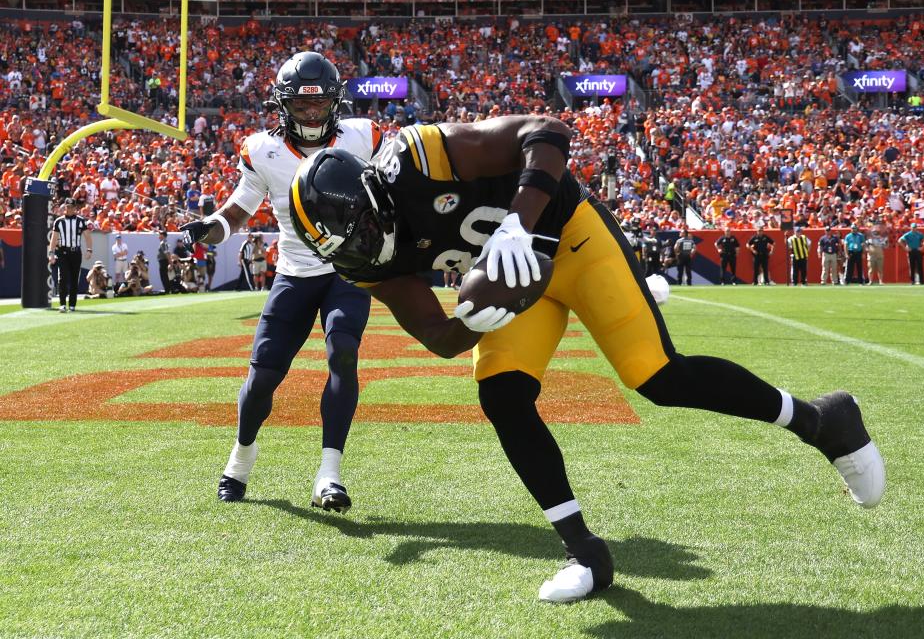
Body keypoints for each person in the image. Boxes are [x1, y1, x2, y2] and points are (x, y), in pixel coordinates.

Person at [288, 117, 886, 603]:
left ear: (372, 193)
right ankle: (585, 552)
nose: (365, 247)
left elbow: (546, 133)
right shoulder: (359, 263)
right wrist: (473, 320)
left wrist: (517, 225)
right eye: (347, 246)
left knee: (656, 376)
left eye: (363, 228)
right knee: (501, 394)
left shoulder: (419, 156)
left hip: (568, 237)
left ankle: (820, 420)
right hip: (515, 283)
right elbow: (438, 336)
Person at [180, 51, 383, 509]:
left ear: (335, 103)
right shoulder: (263, 150)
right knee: (262, 378)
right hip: (294, 273)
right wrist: (209, 227)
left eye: (319, 104)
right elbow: (238, 209)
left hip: (347, 270)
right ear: (282, 106)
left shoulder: (365, 136)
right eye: (301, 106)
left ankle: (329, 475)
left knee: (344, 353)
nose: (311, 114)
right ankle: (241, 458)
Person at [48, 197, 93, 312]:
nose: (70, 209)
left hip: (76, 252)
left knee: (74, 279)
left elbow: (87, 236)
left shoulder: (81, 221)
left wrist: (89, 250)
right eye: (68, 207)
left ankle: (72, 304)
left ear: (75, 208)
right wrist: (51, 253)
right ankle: (62, 304)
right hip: (62, 252)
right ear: (65, 208)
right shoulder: (59, 221)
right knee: (62, 278)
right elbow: (54, 238)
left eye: (72, 207)